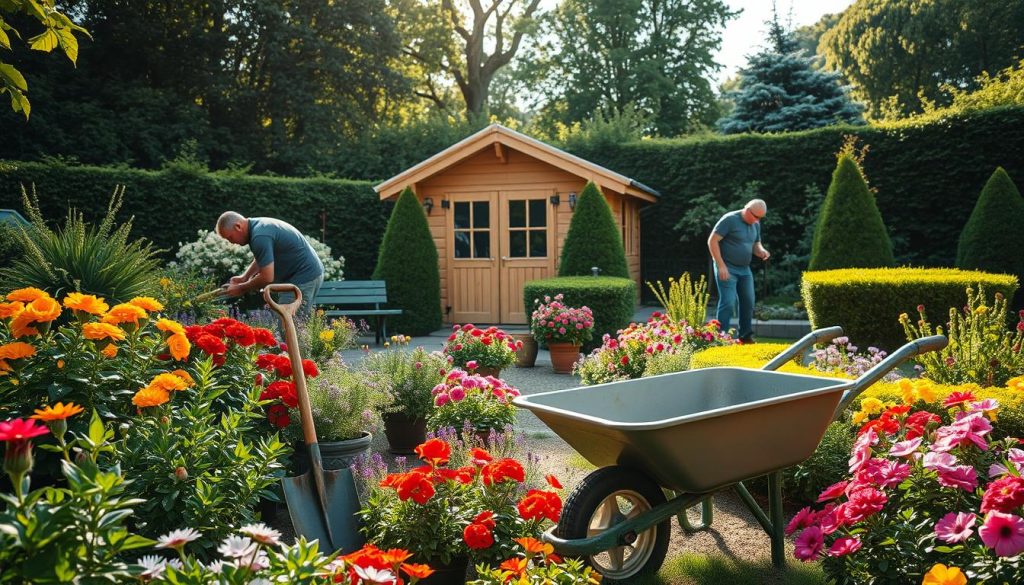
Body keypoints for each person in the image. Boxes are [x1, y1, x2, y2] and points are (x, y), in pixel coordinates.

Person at [215, 211, 324, 317]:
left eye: (230, 237)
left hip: (303, 277)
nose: (231, 242)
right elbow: (263, 259)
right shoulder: (258, 227)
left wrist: (241, 288)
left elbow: (267, 277)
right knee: (294, 325)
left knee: (287, 326)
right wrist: (244, 277)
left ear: (238, 227)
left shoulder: (259, 236)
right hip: (309, 273)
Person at [707, 199, 770, 344]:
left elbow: (756, 244)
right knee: (728, 302)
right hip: (727, 267)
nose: (757, 221)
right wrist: (720, 265)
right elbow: (712, 241)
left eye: (760, 218)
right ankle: (720, 338)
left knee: (748, 301)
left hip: (744, 270)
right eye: (756, 217)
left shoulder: (755, 223)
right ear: (747, 210)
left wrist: (761, 251)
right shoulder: (729, 220)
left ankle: (745, 336)